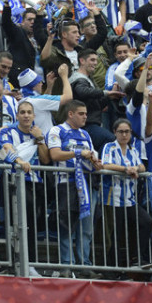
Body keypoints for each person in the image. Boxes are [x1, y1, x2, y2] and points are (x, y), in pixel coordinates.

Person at [48, 100, 102, 274]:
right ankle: (66, 264)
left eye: (86, 114)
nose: (85, 116)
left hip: (87, 184)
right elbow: (55, 154)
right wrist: (79, 153)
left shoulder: (86, 135)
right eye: (81, 113)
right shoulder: (57, 131)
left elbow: (92, 157)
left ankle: (84, 265)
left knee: (86, 229)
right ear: (70, 114)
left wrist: (96, 162)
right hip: (66, 183)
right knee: (67, 227)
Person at [0, 100, 50, 276]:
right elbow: (7, 149)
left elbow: (45, 160)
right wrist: (20, 161)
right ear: (17, 115)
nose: (26, 115)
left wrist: (40, 139)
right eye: (23, 112)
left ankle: (30, 263)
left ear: (34, 115)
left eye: (29, 112)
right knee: (17, 223)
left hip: (35, 183)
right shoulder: (8, 131)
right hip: (14, 181)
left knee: (31, 224)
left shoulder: (38, 133)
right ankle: (18, 262)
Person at [99, 118, 152, 272]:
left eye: (127, 132)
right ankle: (113, 270)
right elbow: (105, 164)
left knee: (147, 222)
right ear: (114, 132)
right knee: (114, 236)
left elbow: (142, 166)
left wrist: (136, 168)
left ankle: (136, 258)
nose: (124, 135)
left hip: (130, 200)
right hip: (112, 198)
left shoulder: (133, 150)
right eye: (121, 131)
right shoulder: (109, 147)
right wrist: (126, 169)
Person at [69, 49, 125, 149]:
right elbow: (82, 91)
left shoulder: (89, 80)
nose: (95, 63)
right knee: (112, 141)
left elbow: (98, 105)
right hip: (85, 126)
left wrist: (110, 96)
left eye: (96, 60)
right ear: (82, 61)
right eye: (92, 60)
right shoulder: (79, 78)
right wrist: (106, 92)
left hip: (92, 123)